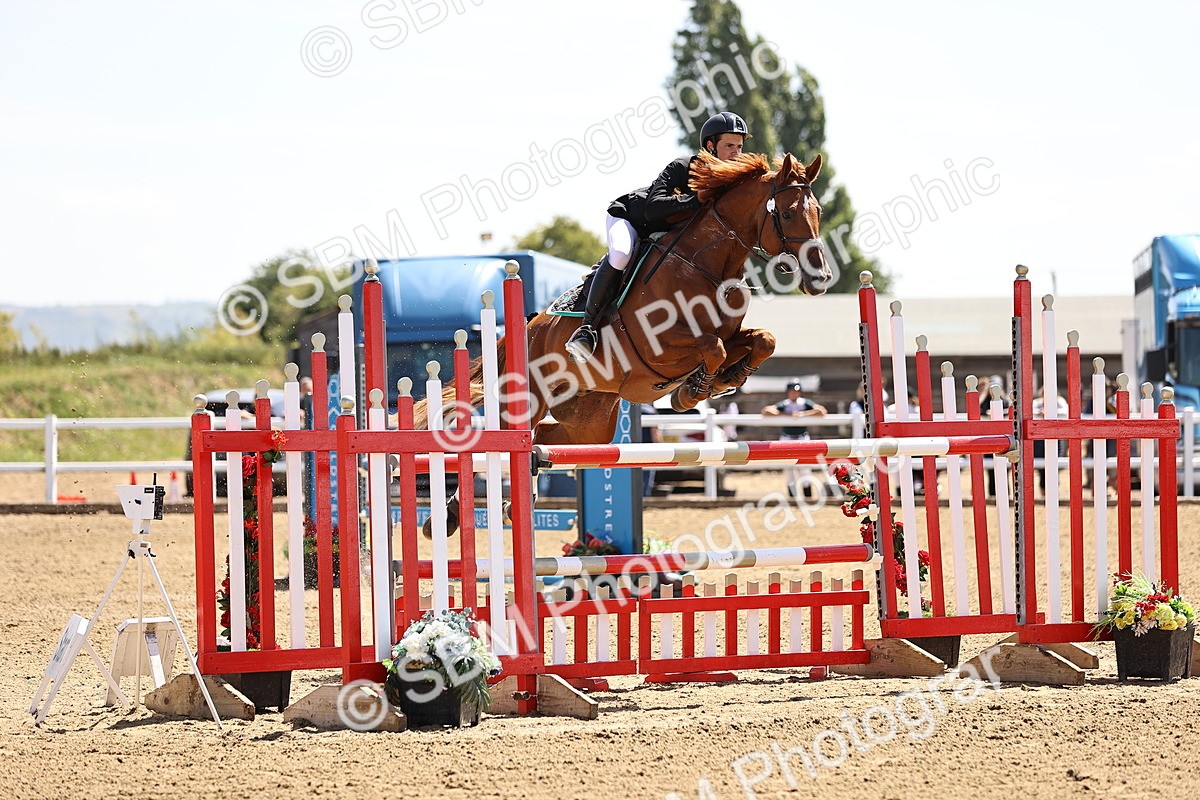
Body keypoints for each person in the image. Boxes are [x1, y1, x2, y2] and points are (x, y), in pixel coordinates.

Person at [565, 111, 752, 364]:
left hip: (665, 237)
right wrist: (695, 199)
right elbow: (654, 207)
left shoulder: (731, 184)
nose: (736, 153)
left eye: (739, 146)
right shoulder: (683, 167)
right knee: (620, 255)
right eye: (729, 145)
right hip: (631, 219)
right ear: (711, 146)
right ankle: (586, 330)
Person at [762, 378, 826, 499]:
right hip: (787, 438)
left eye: (796, 391)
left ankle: (808, 497)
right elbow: (766, 411)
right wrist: (787, 415)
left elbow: (821, 411)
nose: (794, 394)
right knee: (789, 469)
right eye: (791, 391)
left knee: (805, 468)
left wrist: (803, 414)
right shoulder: (785, 404)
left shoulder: (804, 403)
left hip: (802, 437)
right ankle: (792, 498)